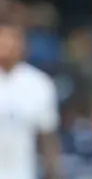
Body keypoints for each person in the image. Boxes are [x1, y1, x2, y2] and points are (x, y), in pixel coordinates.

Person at [0, 22, 61, 179]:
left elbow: (47, 136)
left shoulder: (39, 83)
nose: (7, 45)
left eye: (13, 39)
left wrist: (54, 173)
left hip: (23, 173)